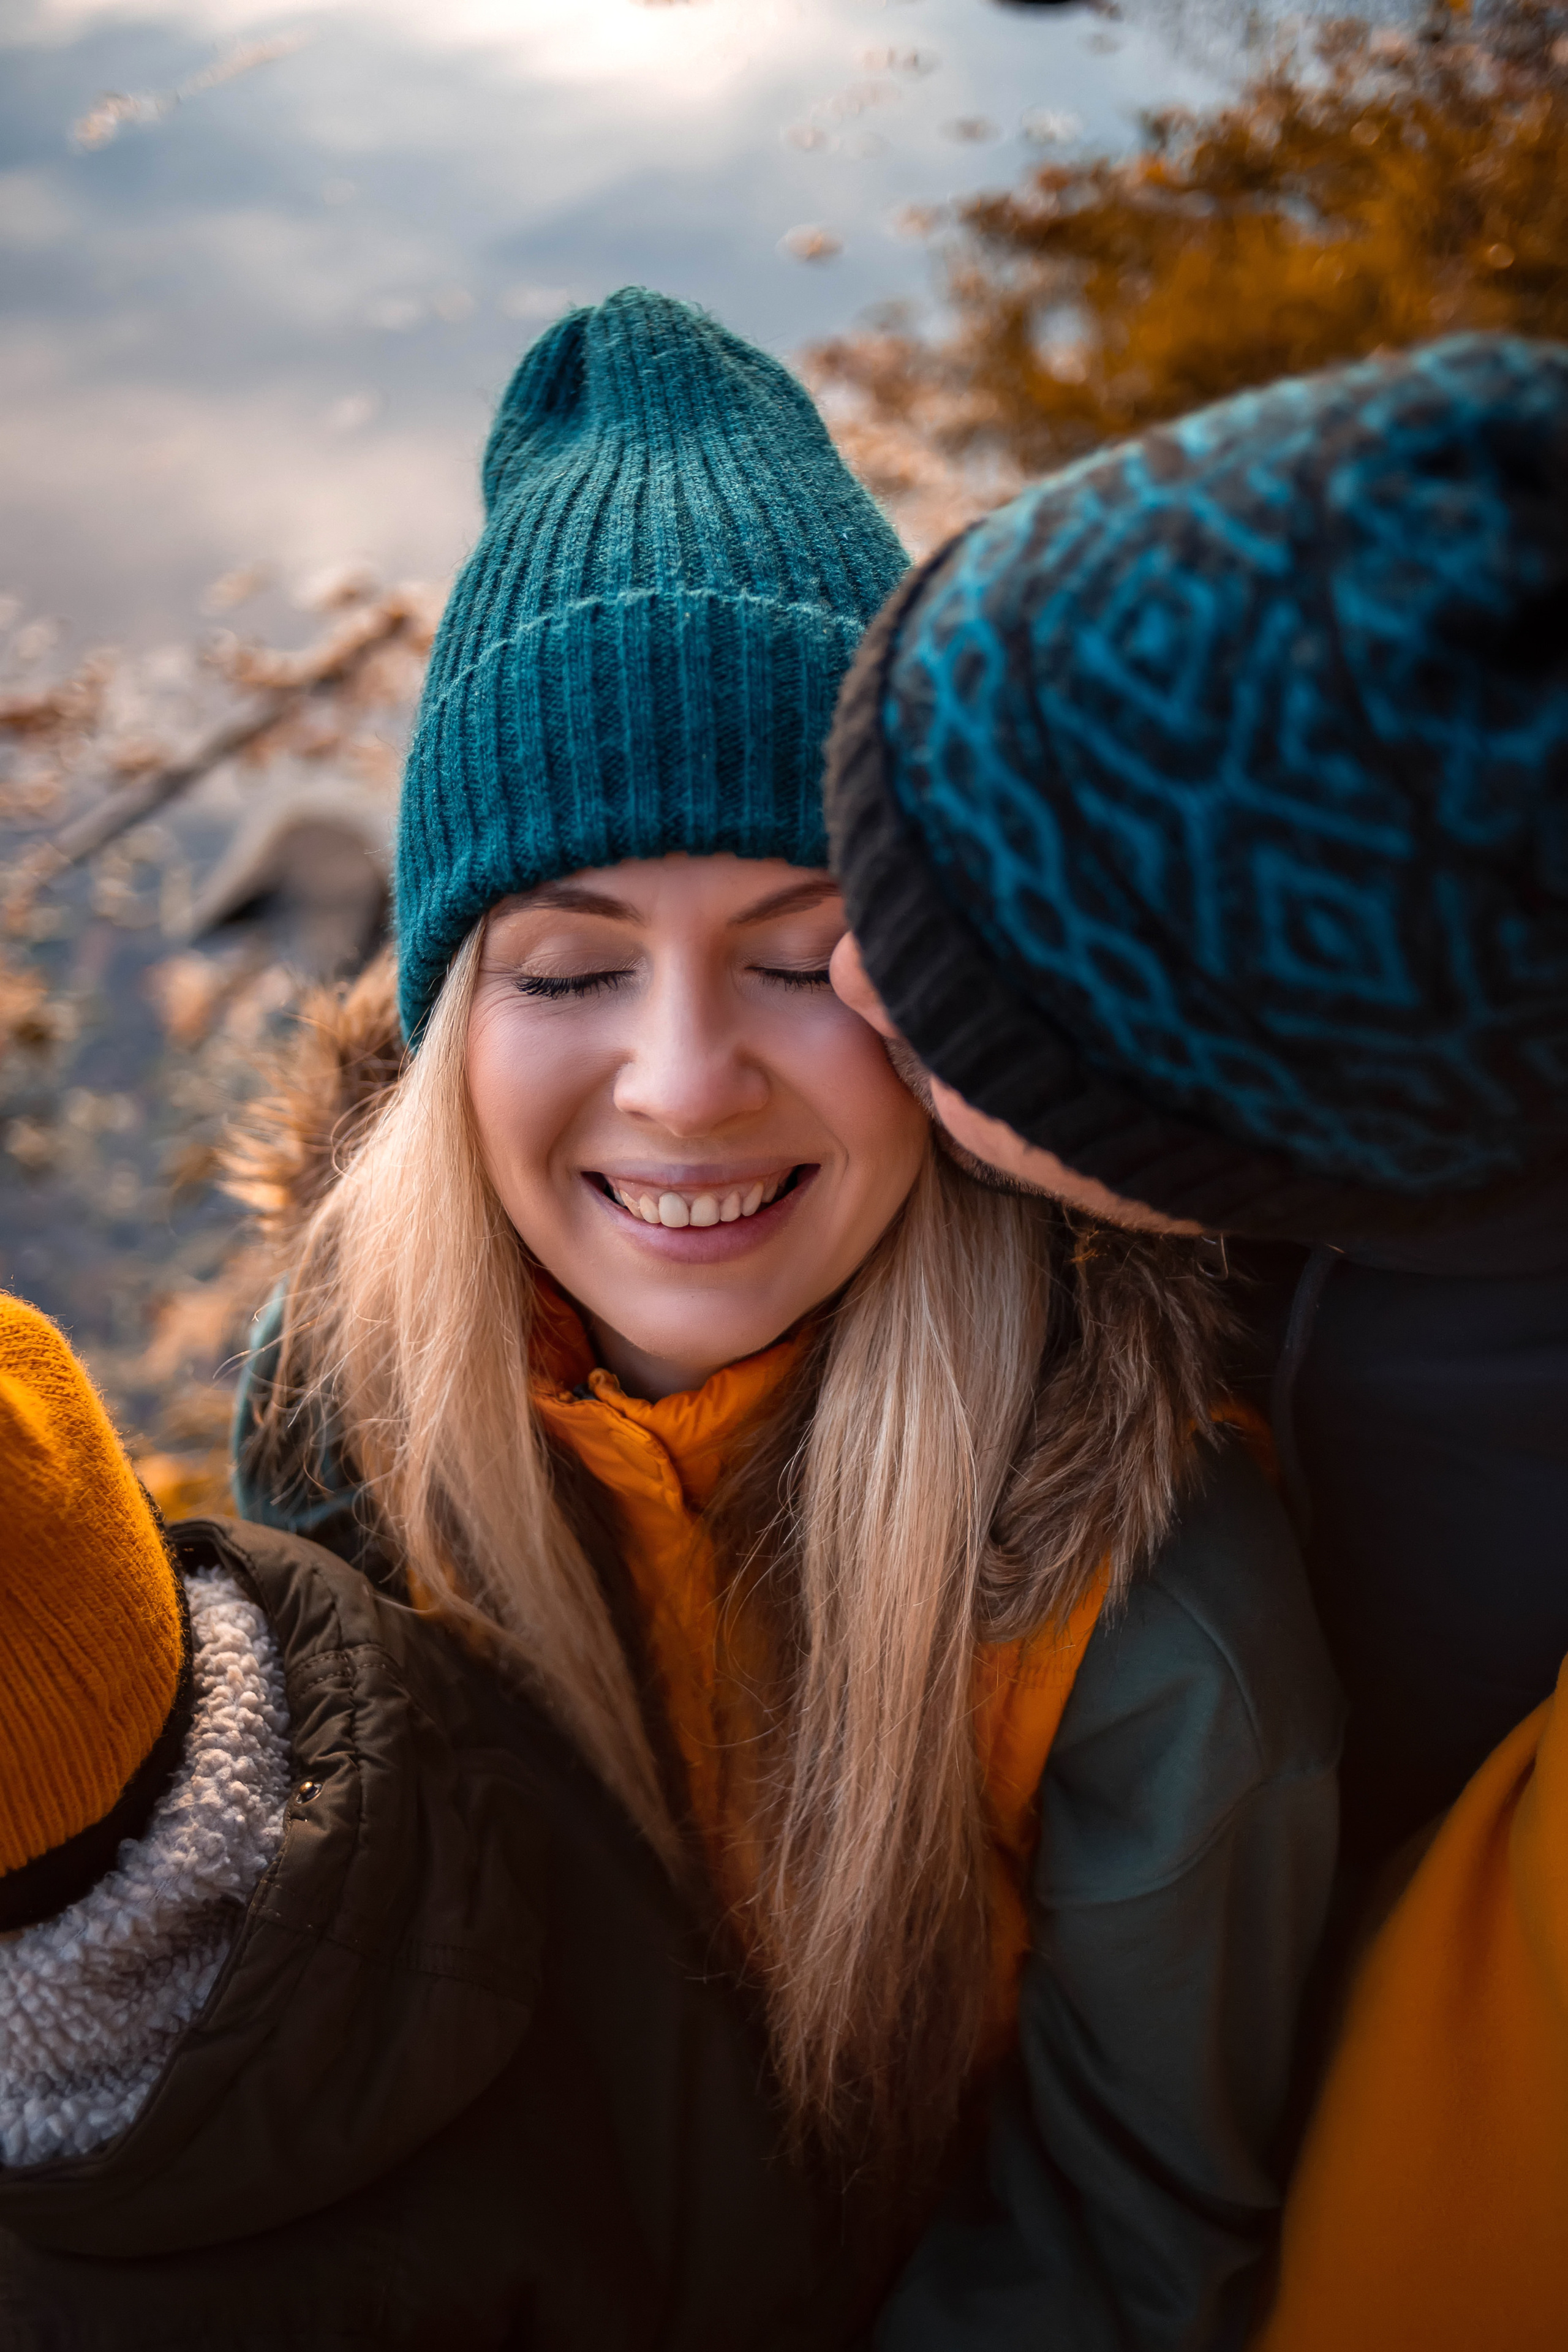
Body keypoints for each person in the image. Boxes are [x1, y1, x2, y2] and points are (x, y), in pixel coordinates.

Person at [0, 289, 1340, 2351]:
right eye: (567, 970)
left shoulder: (1140, 1600)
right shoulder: (347, 1395)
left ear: (944, 994)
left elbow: (1127, 2245)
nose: (686, 1079)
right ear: (450, 1019)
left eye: (804, 955)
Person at [824, 330, 1568, 1877]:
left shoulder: (1499, 1566)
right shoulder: (1432, 1111)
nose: (844, 981)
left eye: (950, 996)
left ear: (1219, 1132)